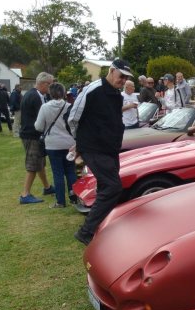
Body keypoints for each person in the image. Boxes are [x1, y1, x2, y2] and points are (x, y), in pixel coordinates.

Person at [68, 59, 134, 245]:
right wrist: (80, 141)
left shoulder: (117, 94)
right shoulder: (93, 89)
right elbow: (73, 118)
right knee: (113, 187)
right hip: (93, 147)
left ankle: (100, 226)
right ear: (112, 71)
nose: (123, 80)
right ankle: (86, 231)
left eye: (126, 78)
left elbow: (114, 119)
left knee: (107, 188)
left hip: (110, 148)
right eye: (121, 76)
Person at [35, 82, 77, 208]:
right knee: (71, 171)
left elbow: (38, 126)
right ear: (64, 93)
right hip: (69, 143)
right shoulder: (70, 106)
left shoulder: (45, 107)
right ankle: (74, 197)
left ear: (50, 93)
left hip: (52, 144)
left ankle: (60, 201)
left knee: (57, 173)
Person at [18, 72, 55, 204]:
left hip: (32, 134)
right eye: (50, 85)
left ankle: (47, 187)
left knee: (40, 163)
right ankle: (25, 195)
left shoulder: (34, 94)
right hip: (32, 135)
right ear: (44, 84)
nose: (51, 88)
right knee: (33, 165)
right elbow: (42, 118)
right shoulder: (34, 96)